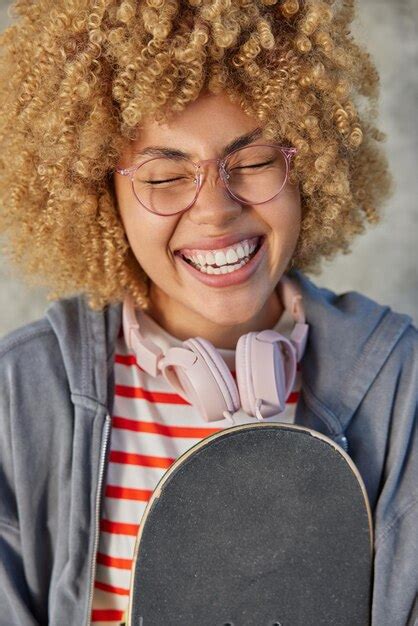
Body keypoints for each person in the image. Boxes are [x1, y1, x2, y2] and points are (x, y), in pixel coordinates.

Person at [0, 1, 416, 625]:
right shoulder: (20, 398)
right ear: (99, 193)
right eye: (165, 176)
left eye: (251, 163)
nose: (216, 212)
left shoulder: (400, 388)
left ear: (308, 164)